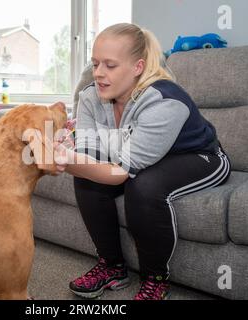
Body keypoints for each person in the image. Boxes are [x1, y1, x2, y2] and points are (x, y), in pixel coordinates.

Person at [52, 23, 231, 300]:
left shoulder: (164, 101)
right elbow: (89, 156)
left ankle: (155, 278)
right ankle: (112, 266)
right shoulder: (90, 97)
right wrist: (62, 156)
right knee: (87, 178)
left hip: (196, 156)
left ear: (137, 67)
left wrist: (65, 159)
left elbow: (120, 172)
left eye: (110, 65)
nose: (98, 73)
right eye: (95, 63)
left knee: (144, 186)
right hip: (139, 155)